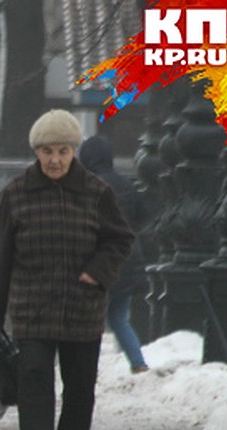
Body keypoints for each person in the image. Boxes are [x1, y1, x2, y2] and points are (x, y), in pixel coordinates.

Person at [0, 109, 135, 430]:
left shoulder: (97, 192)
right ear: (36, 152)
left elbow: (120, 240)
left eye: (63, 151)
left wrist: (97, 274)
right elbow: (0, 256)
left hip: (83, 307)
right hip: (32, 305)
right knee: (34, 378)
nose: (55, 160)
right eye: (47, 151)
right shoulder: (17, 194)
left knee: (80, 383)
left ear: (74, 152)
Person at [79, 134, 150, 374]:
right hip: (129, 260)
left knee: (91, 319)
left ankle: (87, 365)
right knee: (119, 318)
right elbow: (143, 216)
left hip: (102, 264)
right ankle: (138, 362)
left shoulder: (90, 187)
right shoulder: (126, 183)